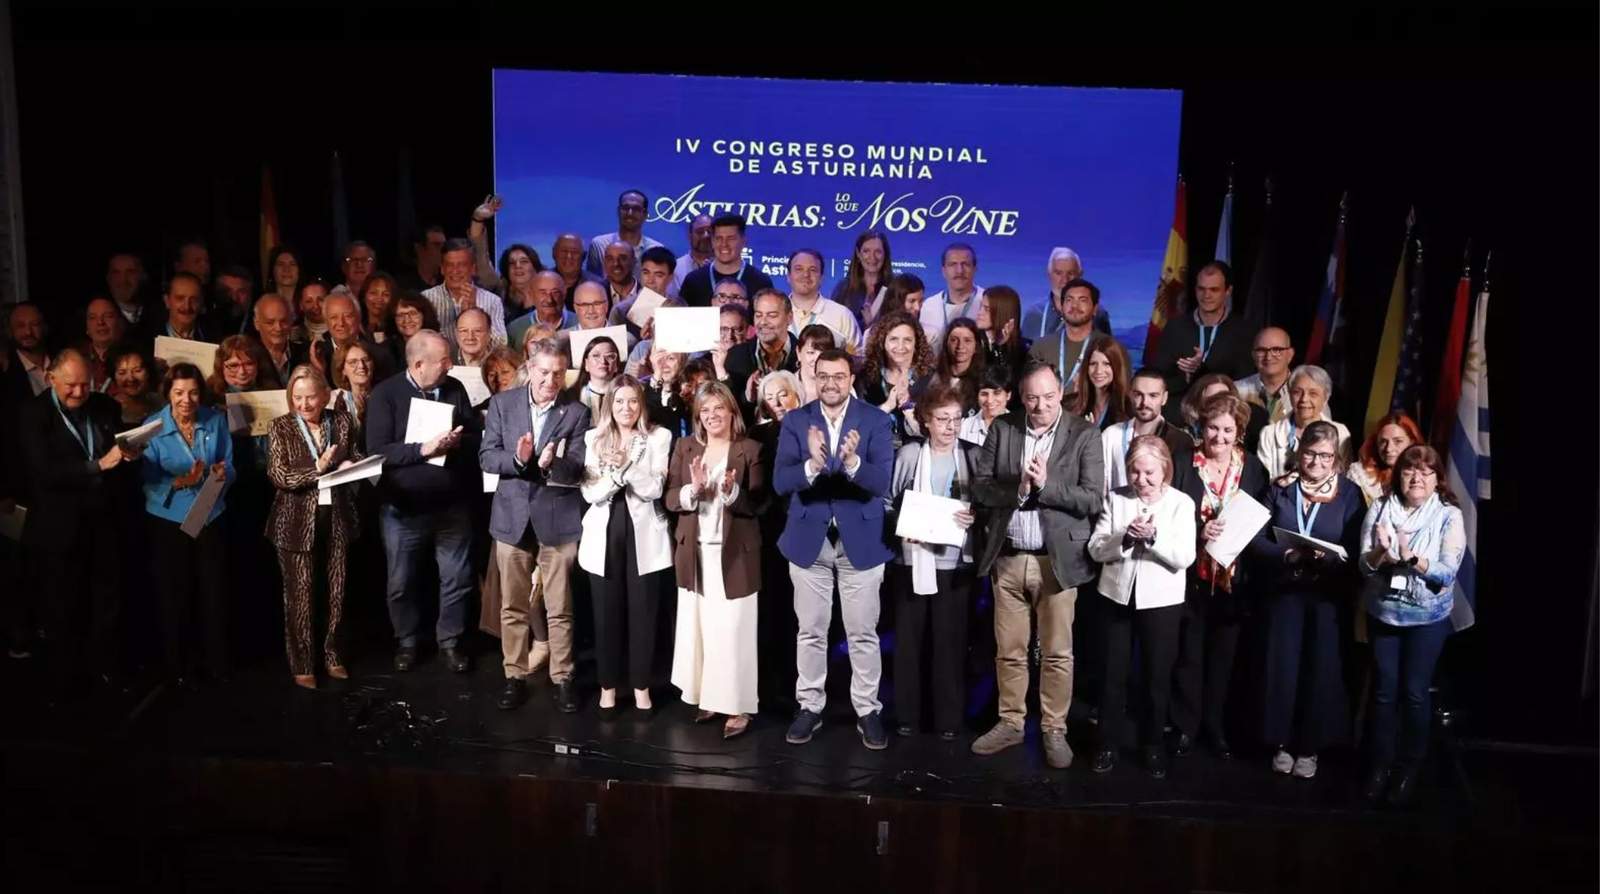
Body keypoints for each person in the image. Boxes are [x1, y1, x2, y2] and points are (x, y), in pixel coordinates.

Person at [970, 361, 1104, 769]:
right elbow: (980, 486)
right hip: (1009, 558)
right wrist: (1019, 488)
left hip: (1056, 562)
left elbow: (1092, 500)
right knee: (1009, 650)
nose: (1041, 405)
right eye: (1033, 398)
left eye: (1048, 396)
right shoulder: (1004, 428)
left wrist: (1045, 487)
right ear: (1021, 397)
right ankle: (1011, 722)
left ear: (1060, 391)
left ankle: (1054, 728)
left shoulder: (1084, 434)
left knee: (1057, 653)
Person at [774, 349, 895, 750]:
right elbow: (780, 482)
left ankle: (867, 709)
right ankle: (810, 706)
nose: (830, 384)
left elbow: (881, 483)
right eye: (823, 376)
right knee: (810, 632)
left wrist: (854, 462)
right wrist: (811, 465)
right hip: (809, 543)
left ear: (850, 378)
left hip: (860, 542)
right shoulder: (796, 420)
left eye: (838, 376)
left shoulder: (875, 420)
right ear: (813, 376)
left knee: (862, 632)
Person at [18, 350, 143, 696]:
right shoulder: (33, 413)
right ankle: (61, 682)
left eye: (84, 385)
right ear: (50, 379)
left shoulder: (104, 406)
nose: (77, 392)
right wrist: (97, 466)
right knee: (61, 608)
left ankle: (106, 670)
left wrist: (130, 453)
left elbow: (118, 452)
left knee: (107, 602)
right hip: (58, 528)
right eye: (70, 386)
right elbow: (42, 472)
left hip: (103, 522)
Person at [1248, 420, 1366, 779]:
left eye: (1325, 455)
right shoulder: (1280, 489)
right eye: (1310, 453)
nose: (1316, 461)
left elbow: (1357, 547)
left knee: (1321, 668)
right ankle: (1281, 741)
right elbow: (1254, 539)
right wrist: (1288, 556)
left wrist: (1328, 558)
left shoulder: (1349, 493)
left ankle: (1310, 747)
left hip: (1328, 597)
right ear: (1299, 453)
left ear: (1336, 458)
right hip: (1285, 593)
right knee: (1283, 666)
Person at [480, 339, 590, 714]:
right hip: (511, 519)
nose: (551, 379)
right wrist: (518, 458)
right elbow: (486, 457)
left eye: (558, 372)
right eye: (544, 371)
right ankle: (515, 674)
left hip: (557, 519)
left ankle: (563, 678)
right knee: (512, 606)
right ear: (530, 367)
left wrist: (549, 464)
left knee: (560, 607)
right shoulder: (502, 404)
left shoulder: (575, 412)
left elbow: (576, 464)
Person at [366, 331, 481, 673]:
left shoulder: (454, 388)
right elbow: (377, 451)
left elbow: (474, 433)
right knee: (401, 583)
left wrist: (460, 441)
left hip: (451, 506)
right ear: (418, 364)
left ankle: (450, 642)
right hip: (404, 509)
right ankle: (408, 641)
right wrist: (423, 449)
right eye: (443, 360)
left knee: (457, 579)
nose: (450, 365)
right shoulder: (386, 394)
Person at [1358, 444, 1465, 806]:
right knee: (1384, 692)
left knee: (1414, 693)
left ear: (1437, 479)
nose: (1416, 477)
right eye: (1409, 471)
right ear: (1398, 476)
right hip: (1384, 614)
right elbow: (1364, 565)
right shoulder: (1380, 508)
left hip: (1427, 618)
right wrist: (1380, 554)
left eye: (1425, 471)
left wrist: (1413, 559)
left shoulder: (1449, 516)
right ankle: (1379, 766)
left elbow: (1447, 573)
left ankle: (1409, 766)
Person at [1087, 436, 1197, 776]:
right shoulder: (1117, 498)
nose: (1141, 480)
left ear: (1165, 469)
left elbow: (1185, 557)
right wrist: (1126, 538)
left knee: (1156, 677)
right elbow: (1095, 548)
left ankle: (1151, 746)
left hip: (1161, 602)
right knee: (1111, 676)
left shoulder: (1181, 503)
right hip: (1116, 597)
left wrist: (1152, 539)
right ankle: (1107, 744)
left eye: (1149, 472)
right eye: (1135, 472)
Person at [1170, 393, 1271, 760]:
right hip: (1190, 575)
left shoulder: (1254, 469)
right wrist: (1200, 531)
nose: (1219, 437)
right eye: (1213, 428)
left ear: (1239, 431)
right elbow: (1168, 512)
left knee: (1224, 658)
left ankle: (1216, 728)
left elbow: (1262, 520)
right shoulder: (1183, 463)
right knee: (1189, 655)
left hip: (1235, 579)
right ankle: (1184, 727)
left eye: (1228, 430)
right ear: (1202, 427)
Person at [666, 381, 765, 738]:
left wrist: (731, 492)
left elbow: (757, 504)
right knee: (701, 631)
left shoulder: (750, 449)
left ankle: (737, 706)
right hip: (694, 553)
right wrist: (694, 489)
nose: (711, 416)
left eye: (718, 408)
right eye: (704, 410)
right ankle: (710, 696)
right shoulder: (685, 447)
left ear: (731, 411)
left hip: (735, 554)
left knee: (733, 631)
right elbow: (671, 499)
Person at [885, 385, 977, 739]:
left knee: (950, 643)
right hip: (912, 561)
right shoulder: (910, 454)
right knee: (909, 643)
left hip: (956, 565)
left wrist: (975, 517)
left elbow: (982, 505)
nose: (951, 426)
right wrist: (901, 526)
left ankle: (948, 720)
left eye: (956, 418)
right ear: (925, 420)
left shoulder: (972, 455)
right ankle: (908, 716)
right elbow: (886, 501)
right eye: (943, 419)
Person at [579, 374, 673, 713]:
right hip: (604, 533)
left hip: (644, 535)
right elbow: (590, 492)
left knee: (643, 615)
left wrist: (627, 468)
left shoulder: (659, 437)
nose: (626, 407)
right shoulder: (593, 438)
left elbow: (654, 490)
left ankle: (641, 687)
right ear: (609, 405)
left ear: (641, 405)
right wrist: (617, 475)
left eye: (633, 401)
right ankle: (607, 686)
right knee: (606, 616)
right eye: (619, 401)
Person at [265, 365, 363, 689]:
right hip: (294, 523)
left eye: (310, 397)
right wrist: (318, 468)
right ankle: (303, 662)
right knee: (300, 596)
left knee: (337, 591)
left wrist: (354, 463)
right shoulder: (280, 427)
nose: (304, 405)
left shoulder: (342, 420)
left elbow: (355, 453)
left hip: (337, 517)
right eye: (297, 398)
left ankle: (333, 655)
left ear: (325, 395)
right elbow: (279, 476)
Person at [140, 362, 235, 684]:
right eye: (179, 392)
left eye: (193, 392)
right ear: (167, 392)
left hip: (210, 512)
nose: (186, 399)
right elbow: (145, 480)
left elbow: (230, 463)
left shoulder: (215, 420)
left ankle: (216, 662)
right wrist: (180, 481)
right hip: (168, 520)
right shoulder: (151, 427)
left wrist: (223, 473)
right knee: (173, 594)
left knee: (214, 592)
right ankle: (177, 666)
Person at [1152, 261, 1256, 420]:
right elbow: (1160, 377)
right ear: (1195, 290)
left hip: (1225, 415)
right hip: (1179, 416)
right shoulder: (1175, 328)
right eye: (1202, 289)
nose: (1206, 296)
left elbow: (1245, 380)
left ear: (1228, 291)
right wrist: (1186, 376)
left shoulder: (1244, 331)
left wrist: (1201, 371)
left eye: (1214, 290)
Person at [1102, 367, 1193, 494]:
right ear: (1130, 394)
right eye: (1138, 394)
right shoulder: (1111, 435)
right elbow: (1102, 485)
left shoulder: (1180, 441)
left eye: (1153, 396)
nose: (1145, 402)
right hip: (1116, 510)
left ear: (1164, 398)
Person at [1256, 365, 1352, 479]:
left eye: (1313, 393)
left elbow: (1342, 477)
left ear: (1326, 398)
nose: (1304, 399)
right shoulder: (1269, 434)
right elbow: (1263, 480)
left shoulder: (1340, 433)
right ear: (1290, 395)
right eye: (1297, 392)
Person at [855, 310, 933, 449]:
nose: (900, 347)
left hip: (916, 452)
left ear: (916, 344)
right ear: (882, 342)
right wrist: (887, 406)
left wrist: (907, 405)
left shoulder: (930, 379)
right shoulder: (867, 378)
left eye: (907, 340)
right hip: (874, 449)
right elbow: (858, 426)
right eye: (893, 339)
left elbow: (934, 430)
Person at [725, 288, 799, 421]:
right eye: (759, 315)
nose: (763, 322)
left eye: (772, 315)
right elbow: (730, 412)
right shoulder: (736, 357)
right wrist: (748, 397)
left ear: (789, 318)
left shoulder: (804, 356)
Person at [426, 238, 508, 351]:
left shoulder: (492, 301)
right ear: (442, 269)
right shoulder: (427, 299)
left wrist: (474, 314)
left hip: (479, 367)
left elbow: (500, 344)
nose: (455, 271)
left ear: (473, 269)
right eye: (450, 265)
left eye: (462, 265)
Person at [677, 213, 774, 308]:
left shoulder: (760, 282)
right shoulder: (693, 281)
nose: (724, 244)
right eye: (719, 238)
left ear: (743, 241)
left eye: (731, 239)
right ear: (712, 241)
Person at [1026, 277, 1100, 391]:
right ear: (1061, 306)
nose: (1075, 306)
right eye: (1069, 300)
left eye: (1082, 300)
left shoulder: (1109, 347)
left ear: (1095, 308)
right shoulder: (1041, 347)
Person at [787, 248, 862, 355]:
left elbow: (859, 359)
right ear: (788, 276)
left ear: (821, 277)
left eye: (813, 270)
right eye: (799, 269)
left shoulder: (842, 315)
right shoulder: (775, 314)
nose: (806, 275)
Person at [1180, 372, 1270, 454]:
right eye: (1211, 400)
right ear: (1198, 401)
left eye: (1224, 398)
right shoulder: (1183, 435)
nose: (1218, 405)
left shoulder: (1251, 427)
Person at [586, 189, 665, 278]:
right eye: (625, 208)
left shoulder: (656, 250)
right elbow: (592, 282)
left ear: (645, 214)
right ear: (618, 211)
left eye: (636, 209)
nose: (630, 213)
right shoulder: (599, 244)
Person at [1348, 411, 1423, 504]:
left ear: (1412, 442)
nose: (1388, 449)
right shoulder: (1360, 474)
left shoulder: (1424, 476)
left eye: (1398, 441)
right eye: (1383, 442)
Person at [919, 243, 984, 346]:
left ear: (975, 270)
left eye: (965, 264)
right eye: (952, 264)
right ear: (943, 271)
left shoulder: (986, 302)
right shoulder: (929, 306)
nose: (959, 271)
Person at [1065, 335, 1132, 430]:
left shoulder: (1128, 409)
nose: (1098, 371)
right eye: (1093, 364)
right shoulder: (1070, 405)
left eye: (1106, 364)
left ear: (1116, 367)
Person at [831, 230, 893, 327]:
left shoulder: (894, 289)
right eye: (866, 251)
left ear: (885, 255)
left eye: (878, 251)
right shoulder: (843, 288)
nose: (872, 257)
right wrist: (864, 323)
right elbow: (833, 326)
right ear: (858, 254)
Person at [1236, 326, 1296, 423]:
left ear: (1290, 354)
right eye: (1261, 350)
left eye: (1276, 350)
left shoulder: (1306, 394)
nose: (1268, 357)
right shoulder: (1236, 391)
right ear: (1253, 355)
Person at [929, 319, 987, 415]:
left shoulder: (983, 382)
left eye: (967, 340)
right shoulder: (932, 377)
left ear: (976, 346)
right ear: (946, 344)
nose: (960, 346)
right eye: (954, 340)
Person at [252, 294, 309, 387]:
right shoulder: (248, 356)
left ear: (291, 321)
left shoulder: (306, 354)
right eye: (270, 323)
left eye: (284, 321)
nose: (278, 328)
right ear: (257, 324)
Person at [509, 271, 577, 347]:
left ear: (564, 294)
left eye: (555, 292)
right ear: (531, 295)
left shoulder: (579, 324)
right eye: (542, 293)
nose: (549, 299)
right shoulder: (515, 330)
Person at [977, 284, 1028, 379]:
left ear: (1002, 313)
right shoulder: (973, 342)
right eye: (981, 307)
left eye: (986, 309)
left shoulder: (1024, 350)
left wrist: (1002, 347)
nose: (980, 313)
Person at [3, 303, 49, 399]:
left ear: (44, 328)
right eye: (21, 326)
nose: (28, 332)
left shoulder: (61, 359)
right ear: (9, 331)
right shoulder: (6, 370)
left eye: (35, 324)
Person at [960, 365, 1012, 448]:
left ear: (1008, 395)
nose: (990, 400)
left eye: (997, 393)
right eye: (984, 394)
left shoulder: (1018, 428)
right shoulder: (964, 427)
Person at [82, 297, 127, 393]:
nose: (100, 322)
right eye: (93, 317)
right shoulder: (77, 357)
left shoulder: (133, 357)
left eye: (108, 316)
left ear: (121, 322)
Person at [331, 340, 377, 431]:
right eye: (353, 362)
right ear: (343, 369)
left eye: (366, 360)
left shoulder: (385, 396)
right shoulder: (332, 400)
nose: (361, 366)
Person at [105, 251, 153, 338]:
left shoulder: (159, 316)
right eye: (116, 273)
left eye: (130, 272)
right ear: (108, 278)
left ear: (143, 275)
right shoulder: (93, 317)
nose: (123, 280)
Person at [569, 334, 621, 412]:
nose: (603, 361)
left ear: (616, 364)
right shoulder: (573, 396)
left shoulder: (625, 393)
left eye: (609, 356)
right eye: (596, 355)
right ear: (586, 363)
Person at [109, 346, 161, 424]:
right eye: (122, 373)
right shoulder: (107, 410)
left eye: (137, 370)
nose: (131, 379)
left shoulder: (162, 404)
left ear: (148, 372)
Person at [673, 213, 713, 299]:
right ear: (689, 236)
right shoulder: (675, 268)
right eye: (700, 232)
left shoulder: (727, 268)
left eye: (710, 232)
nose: (706, 236)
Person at [794, 324, 836, 406]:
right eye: (811, 352)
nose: (817, 360)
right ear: (798, 352)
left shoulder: (841, 387)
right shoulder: (786, 386)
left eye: (823, 353)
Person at [397, 225, 446, 293]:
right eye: (436, 245)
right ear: (419, 249)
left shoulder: (448, 281)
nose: (442, 250)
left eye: (444, 245)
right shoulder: (404, 286)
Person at [210, 267, 256, 338]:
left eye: (241, 292)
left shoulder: (259, 326)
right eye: (228, 291)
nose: (234, 298)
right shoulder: (204, 325)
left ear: (250, 293)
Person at [329, 241, 377, 305]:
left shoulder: (383, 297)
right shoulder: (334, 298)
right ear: (344, 267)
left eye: (365, 260)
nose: (359, 265)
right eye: (353, 260)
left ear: (373, 266)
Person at [600, 241, 642, 312]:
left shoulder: (647, 296)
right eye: (610, 259)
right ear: (604, 263)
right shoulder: (595, 294)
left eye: (622, 258)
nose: (616, 264)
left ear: (634, 261)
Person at [290, 279, 331, 346]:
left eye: (320, 300)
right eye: (309, 301)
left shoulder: (340, 330)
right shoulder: (293, 335)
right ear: (301, 305)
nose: (316, 306)